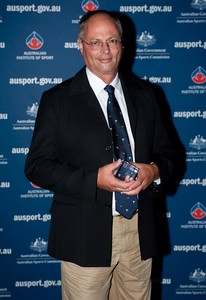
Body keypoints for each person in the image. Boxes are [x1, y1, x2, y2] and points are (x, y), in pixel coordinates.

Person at [25, 10, 176, 300]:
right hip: (83, 235)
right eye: (95, 42)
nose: (104, 50)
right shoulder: (56, 100)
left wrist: (152, 172)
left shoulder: (146, 95)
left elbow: (169, 154)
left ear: (122, 45)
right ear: (81, 46)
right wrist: (94, 179)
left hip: (139, 234)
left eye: (112, 40)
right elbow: (37, 167)